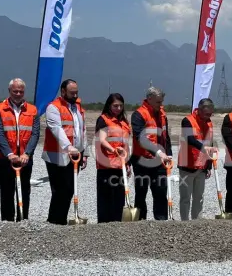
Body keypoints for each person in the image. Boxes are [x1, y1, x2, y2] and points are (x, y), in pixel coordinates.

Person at [42, 79, 89, 225]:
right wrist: (69, 147)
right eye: (72, 93)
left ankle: (61, 219)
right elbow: (57, 129)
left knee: (69, 189)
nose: (75, 95)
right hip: (57, 156)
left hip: (76, 154)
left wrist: (85, 153)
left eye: (76, 92)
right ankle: (55, 221)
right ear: (63, 91)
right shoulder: (53, 108)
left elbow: (82, 130)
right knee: (60, 190)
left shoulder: (78, 107)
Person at [0, 78, 40, 221]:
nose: (18, 94)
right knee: (7, 192)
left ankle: (23, 219)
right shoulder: (0, 109)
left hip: (25, 158)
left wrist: (28, 153)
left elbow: (35, 133)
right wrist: (9, 154)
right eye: (15, 91)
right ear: (9, 91)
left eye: (21, 91)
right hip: (6, 159)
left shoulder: (32, 110)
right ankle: (7, 222)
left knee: (24, 191)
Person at [130, 86, 173, 220]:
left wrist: (168, 153)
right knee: (141, 193)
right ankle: (140, 221)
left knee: (160, 192)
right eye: (158, 102)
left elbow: (166, 136)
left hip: (159, 161)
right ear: (149, 99)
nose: (161, 105)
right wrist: (158, 151)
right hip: (142, 160)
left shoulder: (162, 114)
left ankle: (161, 220)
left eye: (162, 102)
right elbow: (141, 138)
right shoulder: (139, 115)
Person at [177, 98, 216, 220]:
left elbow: (210, 143)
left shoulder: (209, 123)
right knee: (185, 197)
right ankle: (184, 222)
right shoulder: (187, 121)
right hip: (187, 165)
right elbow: (190, 139)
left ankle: (197, 222)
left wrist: (209, 165)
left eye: (209, 115)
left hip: (201, 166)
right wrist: (204, 148)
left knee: (199, 197)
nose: (207, 117)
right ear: (199, 110)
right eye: (205, 114)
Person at [94, 93, 131, 223]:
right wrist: (113, 150)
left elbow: (126, 145)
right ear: (109, 105)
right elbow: (102, 140)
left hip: (120, 165)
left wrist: (128, 163)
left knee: (119, 198)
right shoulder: (103, 120)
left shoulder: (124, 122)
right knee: (106, 198)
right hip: (107, 165)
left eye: (121, 106)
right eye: (115, 106)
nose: (118, 108)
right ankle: (104, 225)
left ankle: (117, 224)